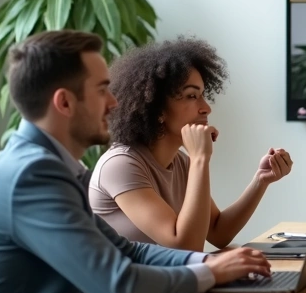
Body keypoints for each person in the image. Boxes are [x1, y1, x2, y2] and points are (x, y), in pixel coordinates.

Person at [0, 30, 272, 293]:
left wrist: (206, 264)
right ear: (65, 102)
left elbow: (127, 250)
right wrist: (208, 272)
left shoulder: (53, 167)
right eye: (102, 89)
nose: (115, 102)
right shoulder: (30, 177)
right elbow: (120, 287)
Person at [89, 37, 293, 253]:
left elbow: (218, 232)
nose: (206, 108)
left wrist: (260, 181)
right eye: (191, 96)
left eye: (202, 95)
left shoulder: (180, 162)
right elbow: (186, 246)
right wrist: (200, 158)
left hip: (171, 283)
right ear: (158, 109)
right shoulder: (120, 165)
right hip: (133, 286)